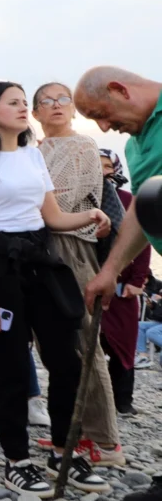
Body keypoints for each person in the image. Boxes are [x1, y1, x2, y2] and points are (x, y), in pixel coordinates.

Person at [0, 81, 110, 498]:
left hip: (40, 261)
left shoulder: (32, 156)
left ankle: (63, 451)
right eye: (15, 103)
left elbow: (53, 217)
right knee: (8, 367)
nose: (25, 108)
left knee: (67, 360)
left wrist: (90, 215)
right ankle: (16, 462)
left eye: (27, 102)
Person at [76, 67, 162, 501]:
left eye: (101, 115)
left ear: (119, 89)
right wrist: (110, 269)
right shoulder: (137, 143)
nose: (104, 128)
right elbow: (141, 212)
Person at [32, 82, 123, 466]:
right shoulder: (33, 150)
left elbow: (65, 200)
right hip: (39, 251)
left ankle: (105, 441)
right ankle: (71, 432)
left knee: (86, 343)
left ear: (73, 108)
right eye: (46, 101)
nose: (56, 105)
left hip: (72, 246)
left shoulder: (83, 145)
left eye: (62, 99)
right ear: (35, 113)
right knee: (52, 347)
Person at [98, 148, 149, 416]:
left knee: (124, 346)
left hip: (123, 289)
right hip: (90, 285)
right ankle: (96, 404)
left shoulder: (130, 200)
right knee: (89, 346)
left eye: (107, 165)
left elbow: (143, 242)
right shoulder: (84, 198)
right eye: (97, 165)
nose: (103, 170)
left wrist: (138, 280)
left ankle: (122, 402)